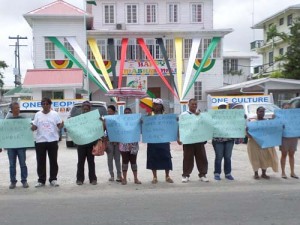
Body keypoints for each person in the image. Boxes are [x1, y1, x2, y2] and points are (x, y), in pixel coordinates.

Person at [31, 97, 64, 187]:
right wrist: (32, 127)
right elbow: (34, 127)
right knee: (40, 161)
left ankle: (53, 179)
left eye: (47, 104)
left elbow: (59, 126)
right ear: (41, 105)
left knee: (53, 161)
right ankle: (41, 180)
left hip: (52, 141)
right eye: (43, 103)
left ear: (50, 105)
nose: (45, 105)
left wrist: (62, 125)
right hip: (40, 141)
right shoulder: (37, 114)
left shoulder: (55, 114)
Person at [178, 98, 209, 183]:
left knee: (202, 157)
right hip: (188, 140)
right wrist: (179, 138)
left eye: (195, 104)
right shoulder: (183, 115)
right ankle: (185, 175)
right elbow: (180, 127)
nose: (194, 106)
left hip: (199, 140)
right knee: (187, 158)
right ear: (188, 105)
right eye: (192, 104)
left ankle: (202, 174)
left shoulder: (200, 115)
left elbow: (205, 126)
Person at [246, 106, 278, 179]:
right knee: (255, 158)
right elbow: (249, 136)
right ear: (257, 112)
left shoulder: (267, 122)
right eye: (260, 111)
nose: (262, 113)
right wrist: (247, 131)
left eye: (263, 112)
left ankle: (264, 173)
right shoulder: (252, 123)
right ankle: (256, 173)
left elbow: (271, 132)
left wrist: (275, 121)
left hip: (265, 143)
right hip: (254, 143)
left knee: (265, 158)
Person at [146, 98, 173, 184]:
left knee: (166, 157)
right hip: (152, 140)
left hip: (164, 140)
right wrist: (144, 120)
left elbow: (171, 126)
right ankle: (154, 177)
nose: (156, 106)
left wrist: (174, 122)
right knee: (153, 157)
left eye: (158, 104)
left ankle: (167, 176)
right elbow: (145, 126)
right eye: (154, 104)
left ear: (161, 106)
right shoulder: (149, 115)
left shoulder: (166, 116)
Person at [6, 102, 29, 189]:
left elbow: (27, 132)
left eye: (18, 108)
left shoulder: (23, 120)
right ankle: (13, 182)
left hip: (21, 145)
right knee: (12, 164)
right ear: (12, 110)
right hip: (11, 146)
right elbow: (3, 133)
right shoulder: (7, 121)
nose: (18, 109)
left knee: (23, 164)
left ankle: (24, 180)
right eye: (16, 108)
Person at [76, 101, 98, 185]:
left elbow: (98, 128)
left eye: (87, 109)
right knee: (81, 162)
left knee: (91, 161)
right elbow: (74, 129)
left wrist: (101, 122)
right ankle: (79, 179)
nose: (85, 110)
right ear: (82, 109)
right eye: (84, 109)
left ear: (90, 109)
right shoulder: (78, 119)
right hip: (81, 143)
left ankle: (93, 179)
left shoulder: (94, 118)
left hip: (91, 143)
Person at [212, 102, 235, 181]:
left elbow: (238, 122)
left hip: (229, 140)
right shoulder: (214, 117)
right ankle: (217, 173)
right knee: (219, 157)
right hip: (218, 140)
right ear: (218, 108)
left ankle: (228, 173)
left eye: (224, 107)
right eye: (221, 107)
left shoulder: (231, 117)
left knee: (228, 157)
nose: (223, 108)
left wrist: (242, 118)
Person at [119, 107, 141, 185]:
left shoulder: (135, 121)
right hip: (123, 145)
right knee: (124, 162)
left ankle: (135, 178)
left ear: (131, 113)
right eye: (126, 112)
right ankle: (124, 178)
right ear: (124, 114)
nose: (127, 113)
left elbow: (141, 127)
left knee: (134, 162)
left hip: (134, 145)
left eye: (129, 112)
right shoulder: (120, 122)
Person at [280, 102, 298, 179]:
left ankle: (292, 172)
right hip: (284, 137)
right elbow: (276, 125)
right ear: (282, 109)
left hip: (294, 137)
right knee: (284, 155)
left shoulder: (295, 116)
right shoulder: (280, 116)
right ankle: (283, 172)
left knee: (292, 155)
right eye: (285, 108)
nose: (287, 110)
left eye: (289, 108)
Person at [105, 105, 122, 182]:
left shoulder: (118, 119)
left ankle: (119, 176)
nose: (108, 112)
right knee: (110, 159)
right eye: (108, 111)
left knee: (117, 159)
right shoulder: (106, 119)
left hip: (117, 142)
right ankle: (111, 175)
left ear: (114, 112)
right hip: (109, 142)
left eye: (110, 111)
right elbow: (102, 129)